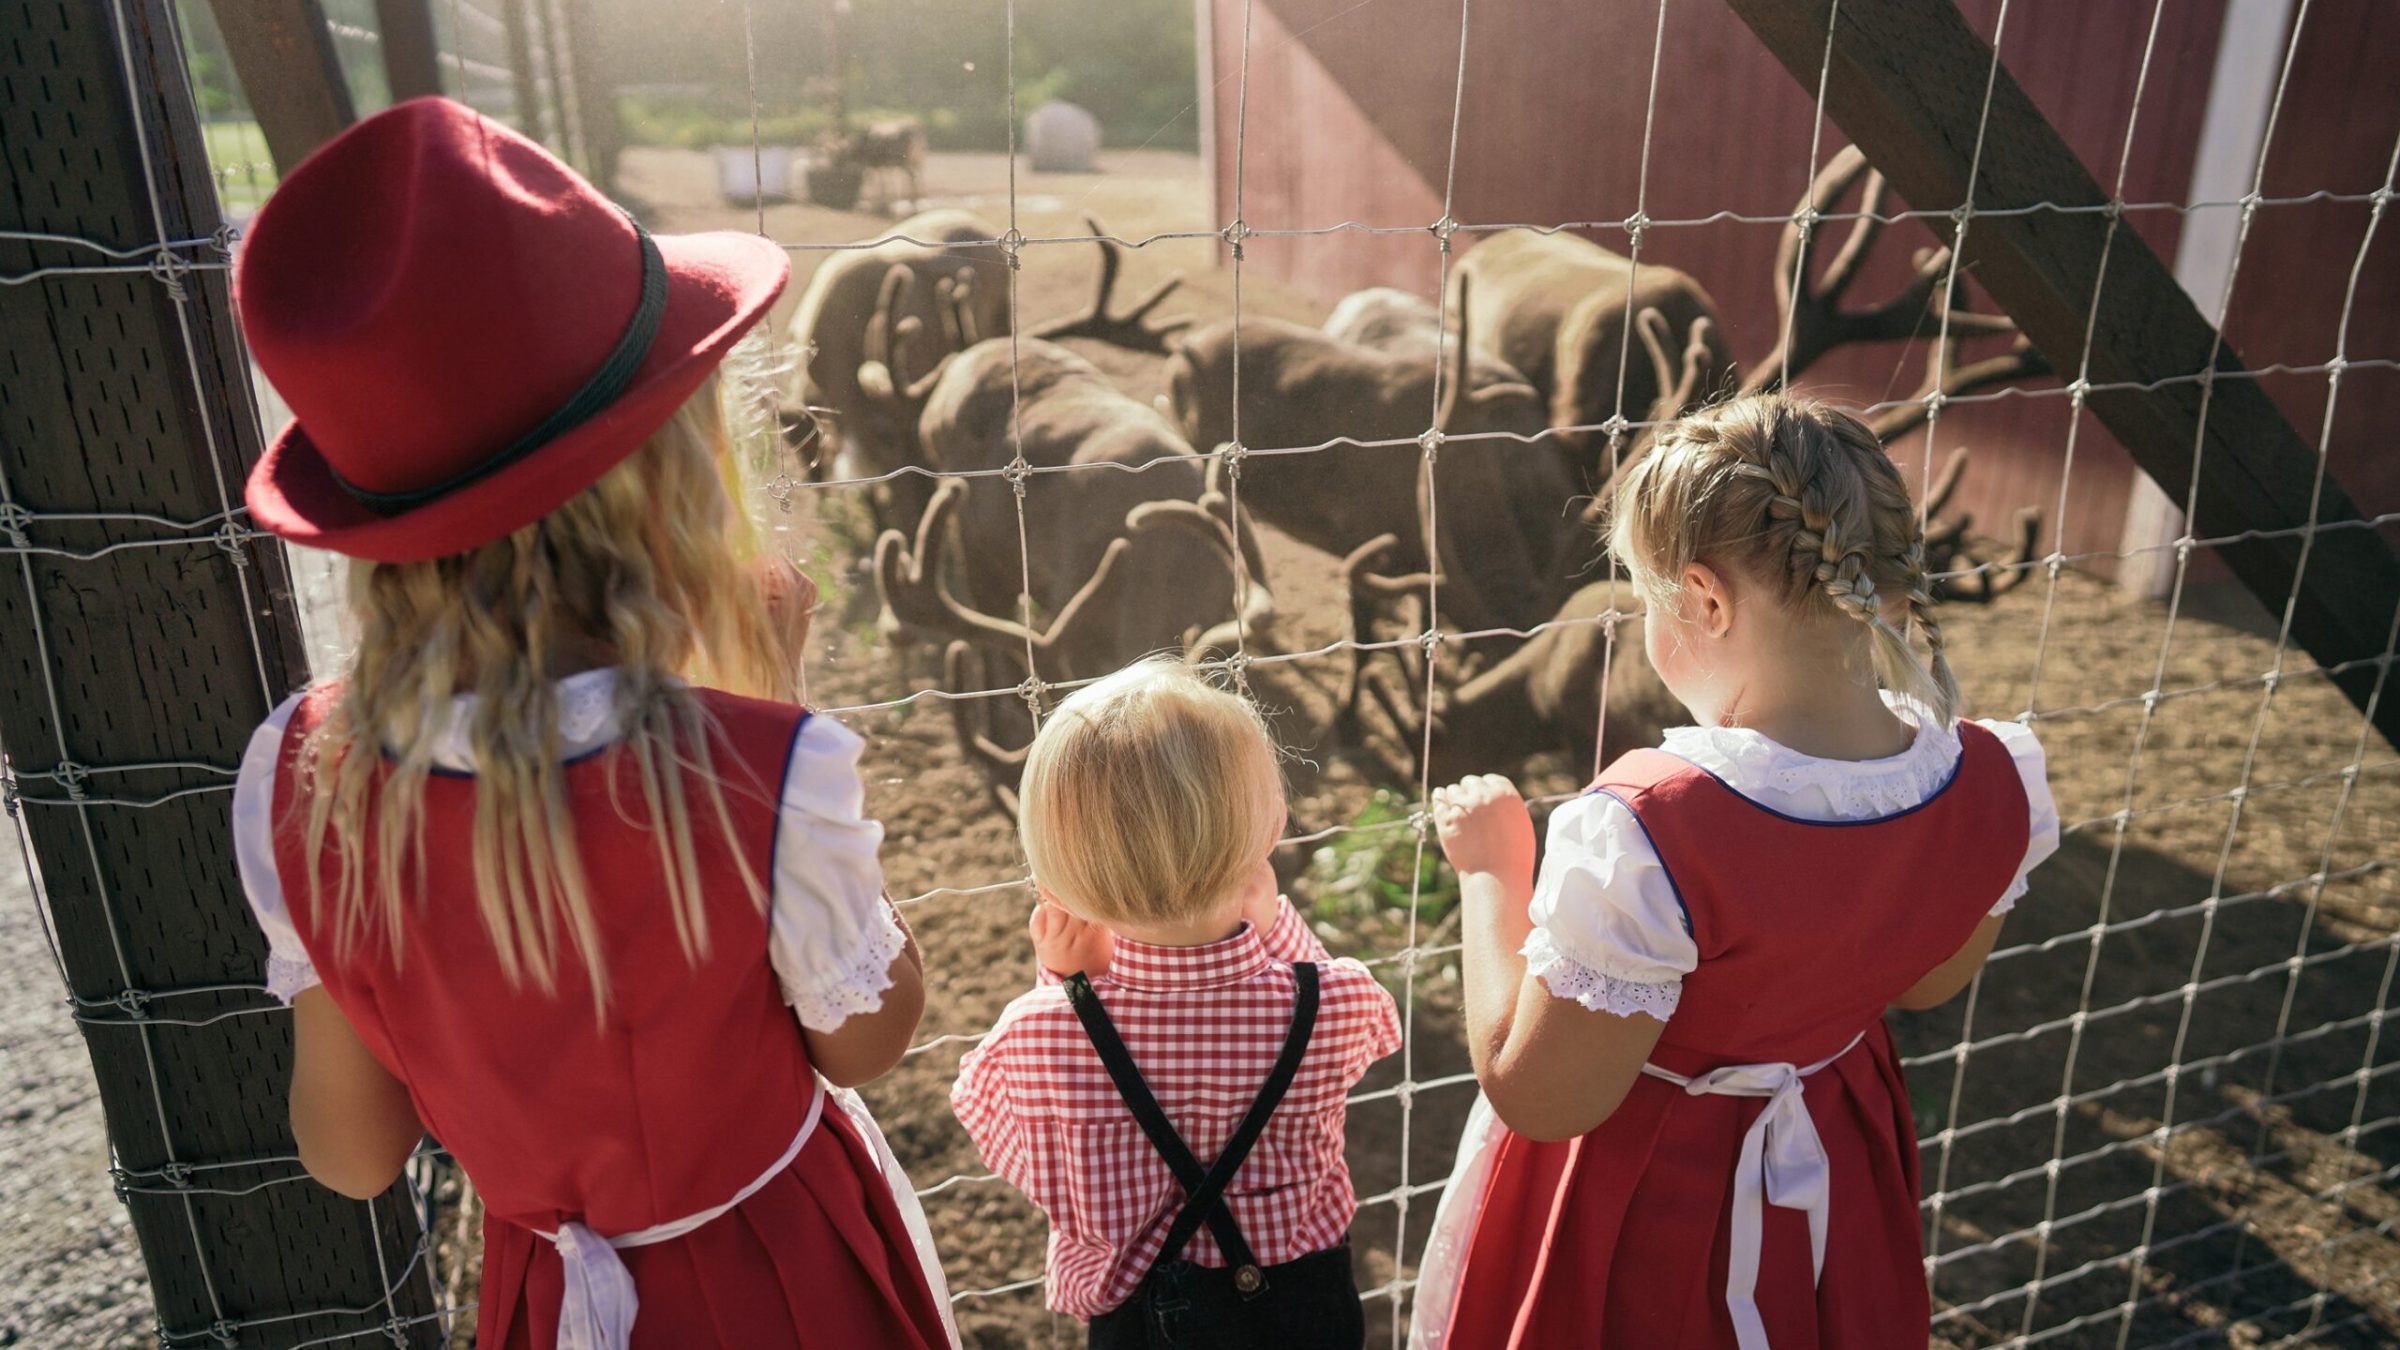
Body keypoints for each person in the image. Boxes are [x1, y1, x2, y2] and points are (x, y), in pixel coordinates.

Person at [228, 97, 957, 1350]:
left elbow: (352, 1156)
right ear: (664, 483)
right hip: (788, 1281)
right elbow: (867, 1041)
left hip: (544, 1297)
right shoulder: (767, 771)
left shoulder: (301, 770)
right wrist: (772, 718)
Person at [1415, 395, 2059, 1349]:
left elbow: (1541, 1096)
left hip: (1648, 1204)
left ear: (1707, 601)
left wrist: (1494, 872)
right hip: (1833, 1174)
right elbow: (1927, 982)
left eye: (1643, 597)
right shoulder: (1996, 776)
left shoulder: (1649, 826)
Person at [952, 659, 1402, 1348]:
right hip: (1305, 1304)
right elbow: (1369, 1035)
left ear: (1053, 871)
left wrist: (1068, 987)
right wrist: (1275, 923)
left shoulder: (1038, 1035)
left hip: (1140, 1321)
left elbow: (1032, 1164)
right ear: (1274, 824)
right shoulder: (1335, 1000)